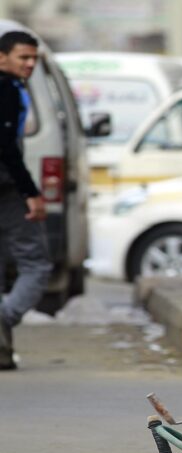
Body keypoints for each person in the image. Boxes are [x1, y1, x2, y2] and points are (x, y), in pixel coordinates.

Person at [0, 31, 52, 370]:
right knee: (36, 263)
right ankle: (4, 318)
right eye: (23, 58)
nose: (30, 64)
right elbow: (6, 147)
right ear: (2, 57)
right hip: (5, 188)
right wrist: (31, 192)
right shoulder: (7, 90)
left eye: (34, 59)